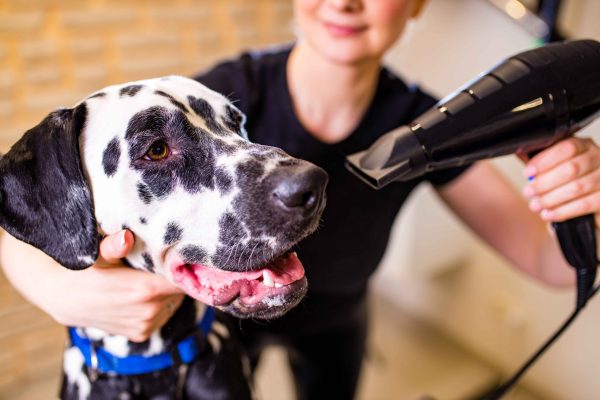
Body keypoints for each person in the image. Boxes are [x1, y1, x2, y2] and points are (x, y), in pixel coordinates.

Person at [2, 0, 600, 398]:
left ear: (416, 4)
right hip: (226, 330)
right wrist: (61, 289)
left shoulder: (424, 123)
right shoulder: (211, 97)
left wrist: (581, 197)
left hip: (338, 318)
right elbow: (28, 207)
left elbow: (551, 263)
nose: (344, 1)